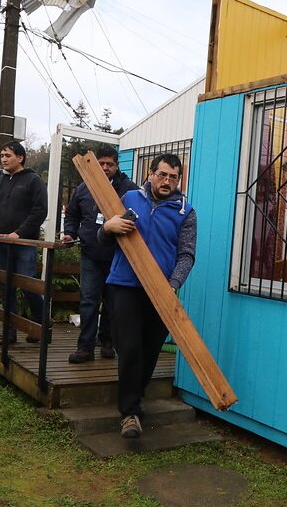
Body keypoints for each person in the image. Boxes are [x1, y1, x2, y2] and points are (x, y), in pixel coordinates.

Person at [100, 153, 197, 438]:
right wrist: (108, 227)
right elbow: (100, 238)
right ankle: (130, 412)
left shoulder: (185, 212)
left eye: (173, 177)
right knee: (129, 348)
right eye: (162, 175)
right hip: (124, 285)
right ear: (151, 173)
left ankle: (134, 396)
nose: (167, 181)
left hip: (161, 291)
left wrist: (173, 283)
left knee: (150, 349)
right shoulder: (127, 199)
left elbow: (187, 254)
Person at [62, 145, 137, 363]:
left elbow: (138, 218)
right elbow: (72, 215)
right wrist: (69, 233)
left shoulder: (129, 190)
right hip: (91, 254)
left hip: (118, 256)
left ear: (117, 165)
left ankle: (107, 342)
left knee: (113, 302)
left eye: (109, 164)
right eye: (101, 163)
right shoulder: (84, 188)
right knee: (88, 301)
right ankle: (85, 347)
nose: (105, 168)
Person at [0, 141, 47, 345]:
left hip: (24, 243)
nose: (4, 159)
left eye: (8, 155)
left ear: (20, 157)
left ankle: (41, 324)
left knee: (27, 284)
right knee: (5, 285)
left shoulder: (33, 180)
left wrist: (19, 233)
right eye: (2, 155)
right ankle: (9, 331)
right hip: (0, 243)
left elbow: (40, 210)